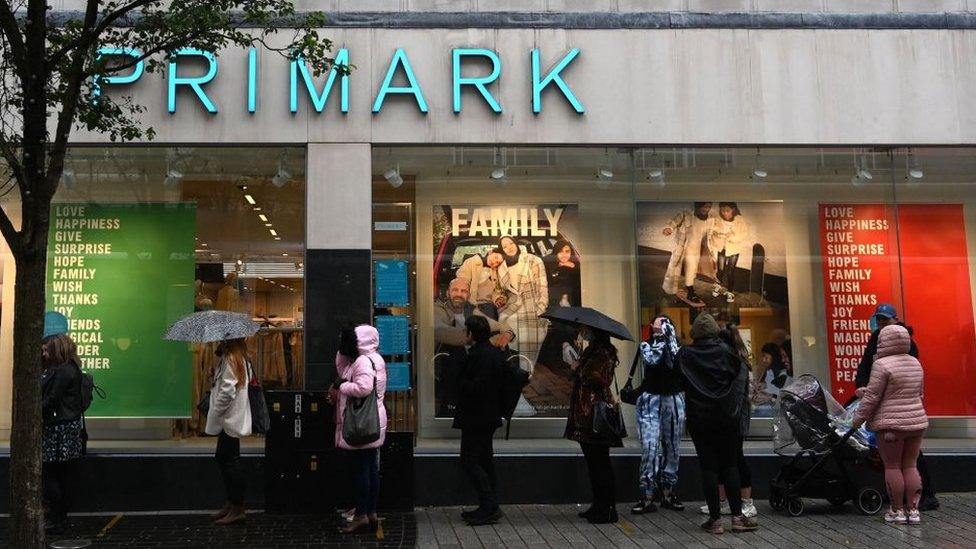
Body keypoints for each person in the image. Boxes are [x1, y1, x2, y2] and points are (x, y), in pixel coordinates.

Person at [678, 313, 757, 534]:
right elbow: (738, 375)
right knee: (730, 465)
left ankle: (715, 520)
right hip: (726, 417)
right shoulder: (727, 352)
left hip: (699, 419)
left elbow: (678, 381)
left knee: (708, 467)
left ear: (695, 333)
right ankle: (737, 517)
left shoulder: (685, 354)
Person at [854, 303, 938, 511]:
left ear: (896, 320)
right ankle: (914, 507)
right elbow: (918, 390)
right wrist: (862, 386)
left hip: (890, 416)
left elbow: (874, 392)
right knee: (910, 462)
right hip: (912, 416)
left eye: (885, 319)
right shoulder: (900, 352)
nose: (881, 323)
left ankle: (899, 508)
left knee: (894, 464)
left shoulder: (885, 360)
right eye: (879, 320)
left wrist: (857, 418)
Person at [331, 324, 388, 534]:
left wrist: (342, 386)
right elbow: (343, 366)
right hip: (373, 419)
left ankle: (361, 515)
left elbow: (363, 388)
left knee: (361, 471)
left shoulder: (363, 361)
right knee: (371, 468)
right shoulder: (375, 358)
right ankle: (370, 511)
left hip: (360, 423)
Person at [564, 326, 622, 524]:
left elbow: (600, 379)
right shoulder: (592, 351)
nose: (584, 333)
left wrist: (578, 368)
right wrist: (576, 365)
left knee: (600, 463)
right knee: (593, 463)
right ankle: (598, 505)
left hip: (595, 412)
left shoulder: (603, 353)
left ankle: (607, 508)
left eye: (587, 331)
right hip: (585, 411)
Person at [699, 324, 757, 519]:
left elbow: (737, 394)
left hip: (734, 417)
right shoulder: (735, 360)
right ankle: (723, 501)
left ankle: (747, 502)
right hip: (732, 417)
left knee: (736, 458)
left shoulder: (735, 362)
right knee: (727, 458)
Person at [434, 277, 515, 417]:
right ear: (447, 293)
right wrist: (484, 339)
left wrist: (508, 333)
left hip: (472, 372)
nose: (459, 294)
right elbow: (441, 331)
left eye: (464, 291)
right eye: (455, 290)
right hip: (448, 370)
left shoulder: (471, 310)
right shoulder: (438, 308)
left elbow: (497, 325)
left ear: (469, 295)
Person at [453, 316, 506, 526]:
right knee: (485, 460)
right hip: (487, 417)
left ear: (471, 334)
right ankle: (489, 506)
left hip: (477, 417)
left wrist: (461, 382)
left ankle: (489, 504)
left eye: (466, 331)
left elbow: (479, 387)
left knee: (469, 460)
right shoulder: (491, 353)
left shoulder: (480, 355)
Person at [631, 315, 685, 515]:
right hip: (651, 399)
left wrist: (670, 339)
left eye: (662, 323)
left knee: (672, 447)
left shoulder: (677, 348)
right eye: (656, 323)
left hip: (672, 399)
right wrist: (662, 340)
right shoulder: (646, 346)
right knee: (650, 446)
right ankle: (647, 495)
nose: (658, 327)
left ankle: (668, 492)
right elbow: (651, 360)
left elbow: (677, 363)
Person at [40, 313, 85, 531]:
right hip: (68, 428)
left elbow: (51, 400)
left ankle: (57, 517)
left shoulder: (62, 372)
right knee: (61, 474)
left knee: (51, 473)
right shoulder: (71, 368)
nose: (44, 353)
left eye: (47, 350)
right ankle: (60, 515)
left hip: (58, 430)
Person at [206, 338, 253, 525]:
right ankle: (232, 503)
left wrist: (216, 412)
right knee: (225, 459)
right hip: (231, 418)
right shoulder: (236, 358)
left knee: (230, 462)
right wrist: (215, 374)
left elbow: (227, 391)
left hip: (228, 419)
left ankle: (237, 507)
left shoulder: (231, 359)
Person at [497, 236, 549, 371]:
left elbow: (543, 287)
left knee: (528, 358)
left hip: (532, 311)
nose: (509, 247)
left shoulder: (533, 260)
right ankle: (516, 385)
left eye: (511, 243)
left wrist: (540, 310)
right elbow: (501, 291)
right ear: (501, 250)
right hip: (512, 312)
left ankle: (524, 380)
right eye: (505, 246)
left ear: (516, 243)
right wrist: (500, 299)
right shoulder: (500, 267)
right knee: (512, 356)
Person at [662, 202, 715, 306]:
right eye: (704, 206)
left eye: (708, 207)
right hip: (682, 247)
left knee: (692, 270)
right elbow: (674, 221)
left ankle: (689, 289)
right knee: (674, 268)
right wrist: (669, 228)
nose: (706, 209)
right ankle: (674, 289)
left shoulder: (711, 220)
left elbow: (710, 235)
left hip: (695, 250)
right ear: (698, 205)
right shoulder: (686, 215)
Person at [707, 202, 749, 298]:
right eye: (722, 211)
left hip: (734, 250)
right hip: (722, 249)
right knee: (720, 269)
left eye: (727, 211)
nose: (725, 213)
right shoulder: (717, 219)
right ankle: (717, 286)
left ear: (733, 210)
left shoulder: (739, 220)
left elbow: (744, 234)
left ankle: (730, 292)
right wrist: (719, 234)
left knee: (731, 271)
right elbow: (713, 232)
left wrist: (731, 237)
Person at [455, 248, 509, 319]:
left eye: (497, 263)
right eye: (495, 257)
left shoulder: (494, 273)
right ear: (490, 252)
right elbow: (462, 281)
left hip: (487, 304)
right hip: (470, 304)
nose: (494, 262)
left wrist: (498, 299)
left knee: (491, 315)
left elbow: (496, 291)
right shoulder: (471, 262)